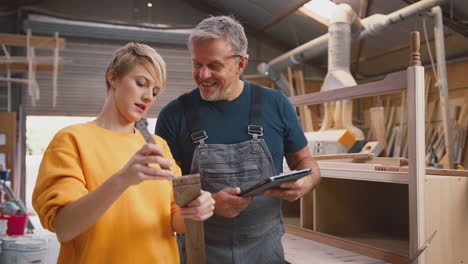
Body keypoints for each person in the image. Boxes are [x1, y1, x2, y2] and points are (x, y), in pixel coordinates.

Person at [155, 16, 321, 264]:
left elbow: (305, 160)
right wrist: (209, 203)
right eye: (197, 64)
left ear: (241, 64)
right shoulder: (173, 115)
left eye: (214, 65)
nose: (203, 74)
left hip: (266, 250)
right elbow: (160, 191)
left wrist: (307, 181)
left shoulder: (276, 104)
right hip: (200, 252)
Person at [32, 42, 215, 264]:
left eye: (155, 91)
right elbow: (64, 228)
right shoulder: (72, 140)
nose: (148, 96)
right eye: (141, 83)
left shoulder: (159, 146)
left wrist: (196, 210)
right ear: (113, 78)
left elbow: (175, 219)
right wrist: (122, 179)